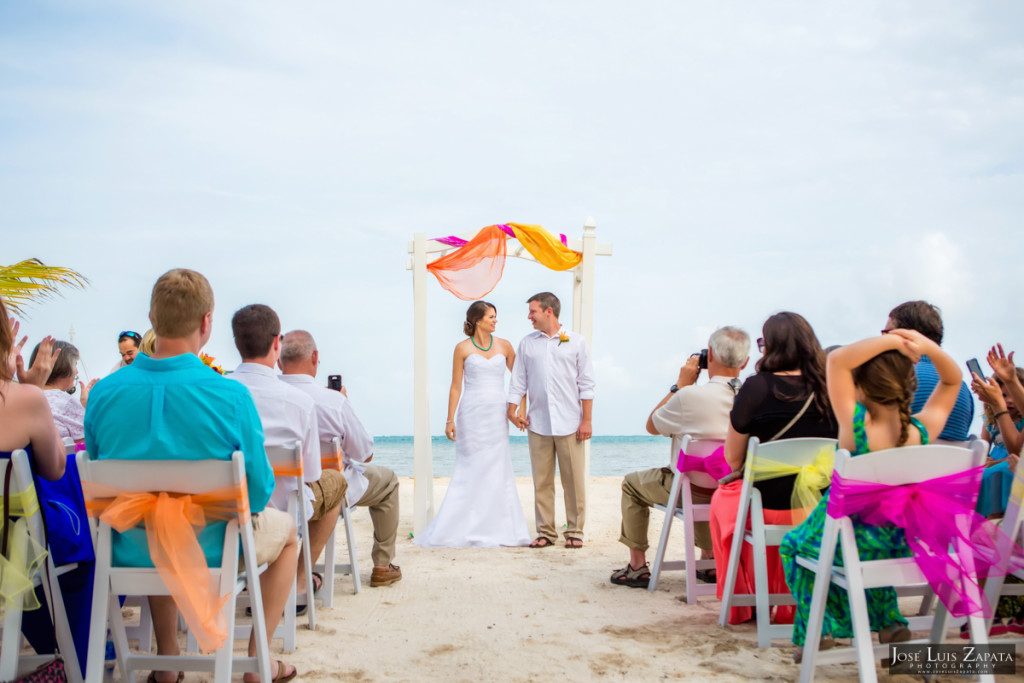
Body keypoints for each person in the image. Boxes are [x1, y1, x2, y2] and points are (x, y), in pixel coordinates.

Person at [85, 270, 299, 683]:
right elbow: (256, 494)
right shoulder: (230, 394)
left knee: (153, 515)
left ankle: (168, 660)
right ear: (206, 322)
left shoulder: (103, 394)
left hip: (125, 549)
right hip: (216, 550)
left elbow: (100, 480)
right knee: (289, 535)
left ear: (152, 316)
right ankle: (260, 661)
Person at [781, 329, 962, 661]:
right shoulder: (922, 431)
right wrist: (926, 348)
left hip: (849, 544)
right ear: (909, 386)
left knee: (794, 547)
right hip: (903, 544)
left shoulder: (855, 429)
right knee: (868, 543)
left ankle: (817, 629)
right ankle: (889, 620)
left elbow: (836, 360)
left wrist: (893, 341)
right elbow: (952, 381)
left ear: (861, 388)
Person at [709, 311, 837, 624]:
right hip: (819, 510)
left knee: (723, 501)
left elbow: (734, 461)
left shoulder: (756, 388)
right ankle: (792, 602)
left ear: (770, 348)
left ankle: (744, 603)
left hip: (765, 507)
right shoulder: (830, 389)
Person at [611, 326, 749, 588]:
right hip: (731, 490)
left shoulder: (689, 396)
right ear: (745, 362)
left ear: (710, 356)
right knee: (709, 480)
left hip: (690, 490)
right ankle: (709, 559)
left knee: (631, 484)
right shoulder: (749, 397)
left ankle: (637, 567)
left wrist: (680, 384)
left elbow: (652, 426)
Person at [230, 304, 346, 601]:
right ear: (275, 344)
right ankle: (298, 581)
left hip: (225, 512)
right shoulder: (298, 401)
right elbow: (310, 475)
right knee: (335, 483)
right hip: (282, 512)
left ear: (236, 342)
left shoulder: (219, 391)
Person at [278, 329, 404, 586]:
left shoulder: (261, 397)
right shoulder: (332, 402)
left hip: (274, 491)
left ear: (279, 361)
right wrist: (343, 402)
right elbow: (365, 454)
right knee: (389, 481)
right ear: (314, 358)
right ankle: (383, 565)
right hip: (325, 489)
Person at [415, 301, 530, 548]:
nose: (495, 321)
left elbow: (521, 380)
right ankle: (461, 525)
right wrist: (449, 419)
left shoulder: (505, 345)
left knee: (498, 467)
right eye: (491, 317)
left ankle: (498, 525)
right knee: (470, 468)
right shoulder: (462, 348)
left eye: (496, 317)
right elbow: (456, 386)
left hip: (497, 416)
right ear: (478, 320)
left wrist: (520, 407)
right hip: (471, 414)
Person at [507, 292, 595, 549]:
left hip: (571, 423)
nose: (529, 316)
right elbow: (518, 382)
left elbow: (586, 384)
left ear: (549, 312)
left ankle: (575, 530)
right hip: (538, 423)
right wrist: (512, 411)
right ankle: (545, 532)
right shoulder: (527, 344)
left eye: (533, 311)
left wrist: (586, 420)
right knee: (542, 481)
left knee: (574, 481)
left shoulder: (576, 342)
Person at [884, 301, 973, 442]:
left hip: (897, 462)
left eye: (887, 333)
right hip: (954, 464)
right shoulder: (963, 390)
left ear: (905, 336)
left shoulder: (892, 378)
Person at [971, 345, 1024, 517]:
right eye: (1002, 395)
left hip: (1008, 464)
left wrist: (998, 404)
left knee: (998, 473)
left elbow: (1015, 452)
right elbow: (983, 446)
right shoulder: (990, 421)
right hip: (1002, 462)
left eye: (1012, 395)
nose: (1008, 401)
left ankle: (994, 521)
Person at [29, 340, 98, 443]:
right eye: (75, 364)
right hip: (61, 458)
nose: (77, 371)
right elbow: (90, 441)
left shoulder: (26, 398)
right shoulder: (66, 403)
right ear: (65, 367)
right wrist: (88, 405)